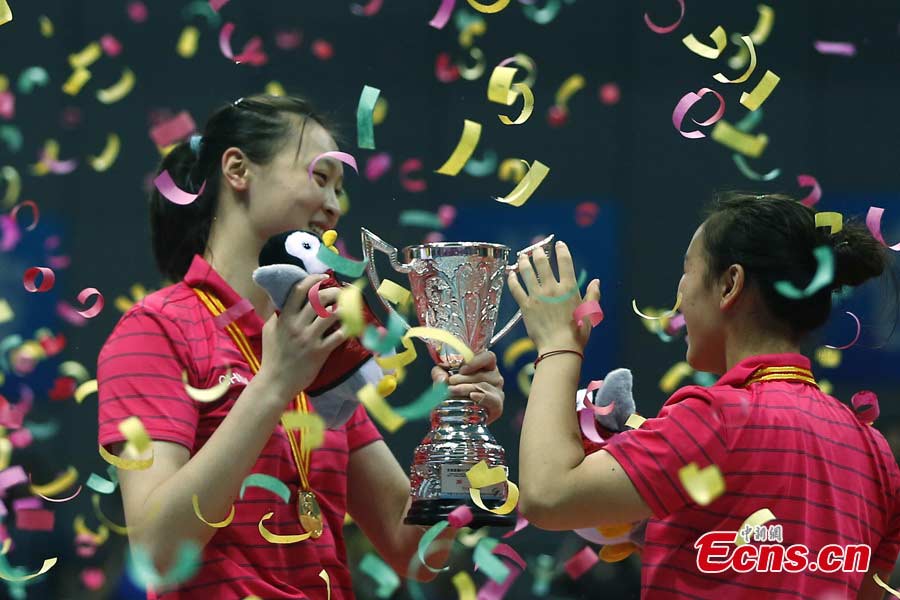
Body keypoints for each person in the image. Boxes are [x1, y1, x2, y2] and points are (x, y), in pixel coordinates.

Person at [96, 94, 505, 599]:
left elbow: (414, 550)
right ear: (238, 170)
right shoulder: (155, 331)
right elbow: (157, 552)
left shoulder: (319, 340)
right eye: (319, 177)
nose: (334, 206)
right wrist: (275, 384)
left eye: (339, 187)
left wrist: (458, 432)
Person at [509, 192, 900, 599]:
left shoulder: (716, 419)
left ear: (730, 283)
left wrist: (557, 344)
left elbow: (546, 496)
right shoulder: (876, 454)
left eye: (687, 271)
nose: (680, 293)